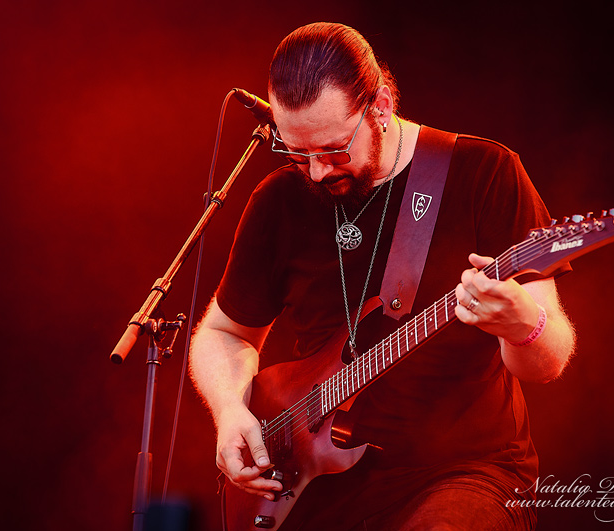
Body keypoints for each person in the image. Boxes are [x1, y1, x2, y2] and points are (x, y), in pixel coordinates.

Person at [189, 22, 576, 530]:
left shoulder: (485, 173)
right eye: (297, 152)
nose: (317, 172)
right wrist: (230, 412)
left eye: (332, 149)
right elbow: (223, 333)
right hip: (316, 483)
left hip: (462, 473)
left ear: (382, 105)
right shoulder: (279, 201)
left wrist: (524, 324)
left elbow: (545, 364)